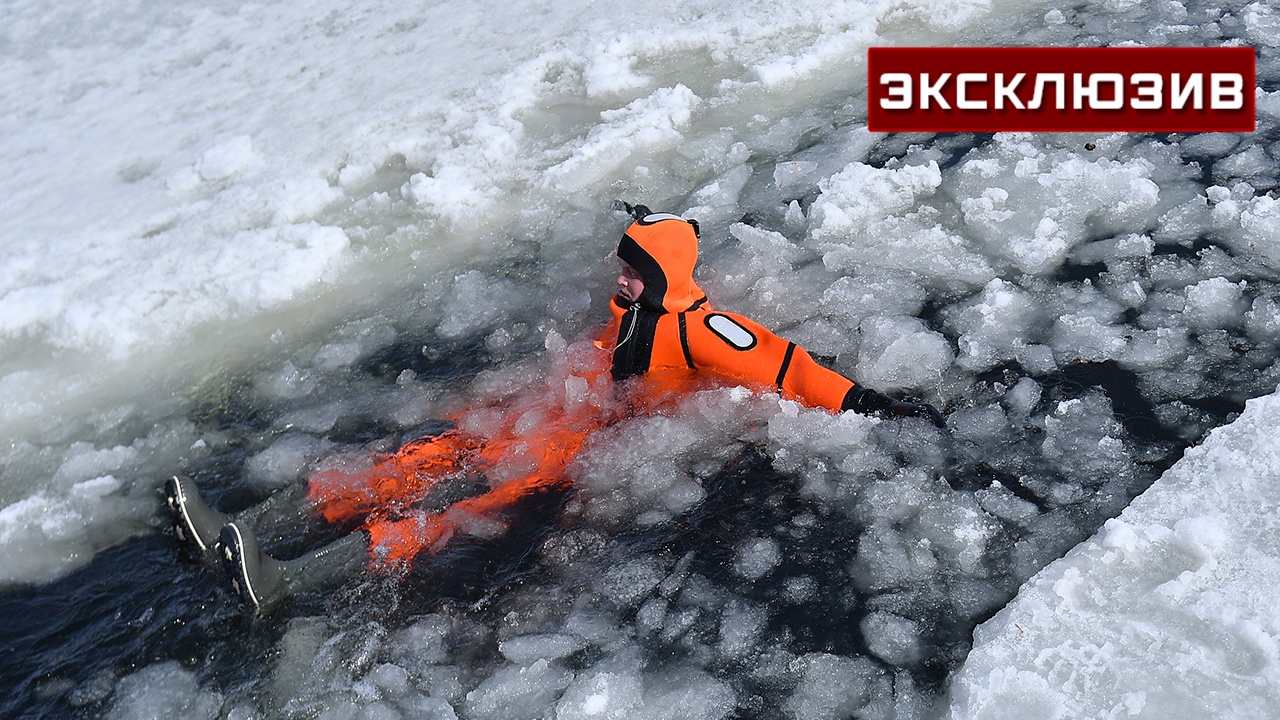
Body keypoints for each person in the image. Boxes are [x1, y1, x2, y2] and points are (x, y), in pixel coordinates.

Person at [167, 204, 944, 615]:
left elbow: (785, 365)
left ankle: (285, 582)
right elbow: (636, 288)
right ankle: (247, 532)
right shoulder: (631, 301)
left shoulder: (706, 331)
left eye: (632, 269)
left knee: (468, 504)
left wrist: (867, 403)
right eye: (622, 265)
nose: (620, 277)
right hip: (553, 410)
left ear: (661, 277)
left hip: (588, 442)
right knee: (419, 459)